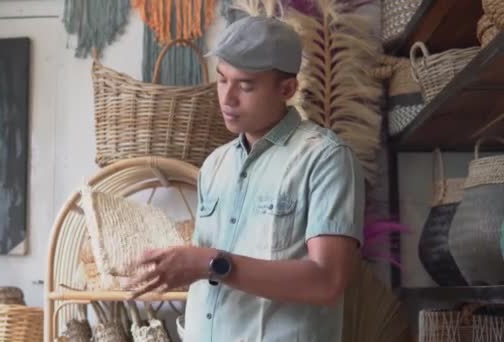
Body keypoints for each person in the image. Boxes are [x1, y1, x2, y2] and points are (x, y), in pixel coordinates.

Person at [126, 15, 365, 342]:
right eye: (222, 80)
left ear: (287, 89)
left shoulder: (325, 158)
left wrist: (209, 263)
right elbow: (210, 266)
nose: (227, 98)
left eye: (246, 85)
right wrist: (170, 268)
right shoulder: (214, 165)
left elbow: (326, 281)